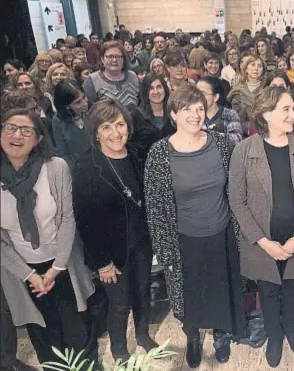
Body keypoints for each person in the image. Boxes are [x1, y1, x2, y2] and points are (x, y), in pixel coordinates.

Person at [144, 85, 246, 368]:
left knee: (220, 288)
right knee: (189, 295)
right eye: (187, 108)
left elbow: (234, 190)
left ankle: (221, 335)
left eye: (200, 108)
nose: (195, 114)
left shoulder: (221, 142)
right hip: (184, 240)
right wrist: (165, 253)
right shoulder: (159, 153)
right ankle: (192, 336)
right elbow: (155, 208)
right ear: (173, 113)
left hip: (222, 233)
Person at [228, 86, 294, 367]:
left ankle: (290, 328)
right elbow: (237, 199)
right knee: (268, 289)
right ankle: (274, 334)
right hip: (262, 239)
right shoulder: (244, 152)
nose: (292, 114)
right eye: (285, 109)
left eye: (292, 109)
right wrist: (262, 240)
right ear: (266, 114)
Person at [0, 109, 96, 366]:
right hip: (21, 270)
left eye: (26, 130)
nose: (17, 134)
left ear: (39, 139)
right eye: (10, 127)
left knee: (79, 331)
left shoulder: (55, 168)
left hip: (62, 262)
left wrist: (55, 269)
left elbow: (66, 219)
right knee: (44, 335)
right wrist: (30, 275)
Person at [71, 99, 158, 361]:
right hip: (110, 252)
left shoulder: (135, 154)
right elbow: (84, 220)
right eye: (107, 127)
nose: (116, 133)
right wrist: (102, 262)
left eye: (120, 125)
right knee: (119, 304)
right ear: (96, 131)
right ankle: (119, 348)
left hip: (141, 243)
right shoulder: (87, 165)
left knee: (143, 292)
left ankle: (143, 335)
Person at [83, 41, 141, 110]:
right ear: (102, 59)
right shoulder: (92, 81)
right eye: (110, 56)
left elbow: (141, 103)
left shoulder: (133, 76)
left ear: (123, 59)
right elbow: (85, 110)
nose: (114, 60)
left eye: (118, 56)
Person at [51, 81, 91, 171]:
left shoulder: (94, 110)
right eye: (78, 102)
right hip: (79, 170)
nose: (85, 103)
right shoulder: (58, 120)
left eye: (84, 97)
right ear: (66, 106)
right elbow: (63, 152)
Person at [197, 76, 243, 149]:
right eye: (196, 92)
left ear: (215, 97)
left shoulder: (230, 115)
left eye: (203, 93)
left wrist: (206, 135)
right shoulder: (194, 115)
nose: (198, 96)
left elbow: (236, 140)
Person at [227, 54, 266, 136]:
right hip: (243, 135)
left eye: (260, 66)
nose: (256, 68)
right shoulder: (237, 91)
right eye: (252, 65)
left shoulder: (267, 90)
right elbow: (237, 118)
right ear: (246, 69)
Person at [139, 73, 174, 138]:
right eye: (151, 88)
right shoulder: (136, 116)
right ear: (145, 91)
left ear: (165, 89)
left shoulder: (174, 114)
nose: (156, 92)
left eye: (159, 87)